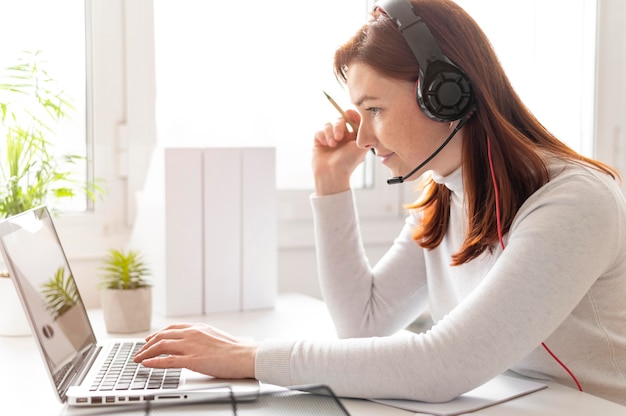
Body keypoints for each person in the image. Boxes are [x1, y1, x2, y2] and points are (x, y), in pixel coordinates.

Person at [134, 0, 626, 405]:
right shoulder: (446, 195)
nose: (363, 137)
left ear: (446, 94)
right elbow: (362, 324)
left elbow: (443, 366)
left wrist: (249, 358)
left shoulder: (573, 201)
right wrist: (332, 187)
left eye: (374, 110)